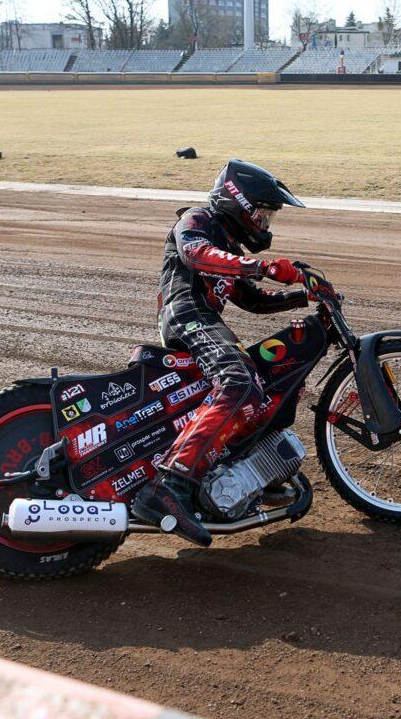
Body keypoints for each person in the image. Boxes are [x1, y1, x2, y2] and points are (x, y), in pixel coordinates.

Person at [130, 159, 310, 546]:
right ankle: (169, 485)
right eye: (261, 214)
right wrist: (262, 267)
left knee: (262, 384)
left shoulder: (228, 245)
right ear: (237, 202)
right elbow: (196, 254)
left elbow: (255, 301)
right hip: (186, 315)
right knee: (240, 383)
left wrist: (304, 295)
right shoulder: (196, 220)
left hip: (204, 320)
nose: (264, 224)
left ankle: (252, 470)